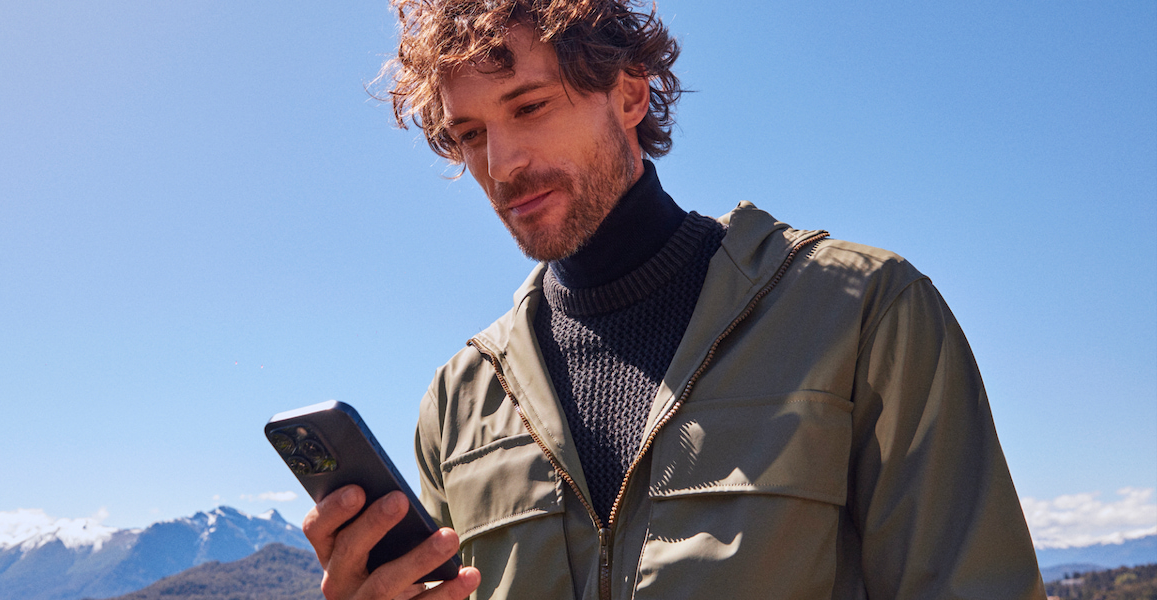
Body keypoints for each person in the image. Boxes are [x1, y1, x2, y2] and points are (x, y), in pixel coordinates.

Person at [302, 1, 1046, 598]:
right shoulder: (459, 403)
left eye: (528, 107)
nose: (501, 164)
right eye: (470, 134)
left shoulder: (864, 312)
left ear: (629, 94)